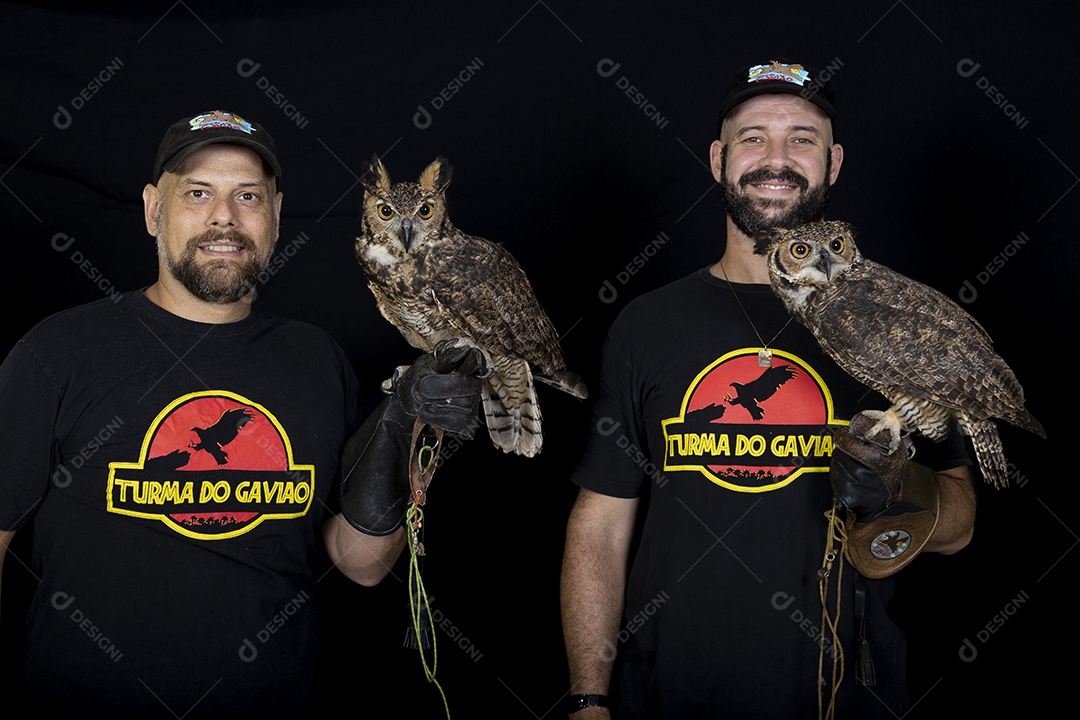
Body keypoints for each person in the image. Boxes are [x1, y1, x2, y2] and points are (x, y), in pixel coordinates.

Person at [0, 110, 486, 717]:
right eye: (198, 193)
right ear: (155, 210)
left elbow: (361, 565)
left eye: (247, 196)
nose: (224, 217)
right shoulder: (59, 352)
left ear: (276, 217)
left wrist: (400, 423)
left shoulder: (315, 359)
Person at [559, 59, 977, 719]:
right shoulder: (647, 325)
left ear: (833, 162)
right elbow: (601, 524)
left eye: (801, 138)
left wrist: (905, 488)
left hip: (847, 695)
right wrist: (588, 696)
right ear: (719, 159)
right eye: (753, 137)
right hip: (668, 692)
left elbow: (958, 526)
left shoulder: (893, 325)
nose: (775, 158)